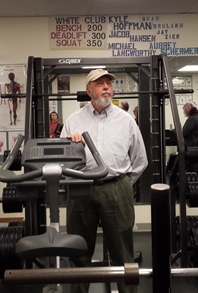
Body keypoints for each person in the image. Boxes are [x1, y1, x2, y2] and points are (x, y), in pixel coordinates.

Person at [60, 69, 148, 293]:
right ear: (89, 90)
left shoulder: (126, 120)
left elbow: (140, 159)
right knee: (78, 251)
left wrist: (124, 183)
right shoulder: (73, 121)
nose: (106, 87)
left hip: (116, 187)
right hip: (80, 189)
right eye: (100, 83)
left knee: (123, 254)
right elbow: (61, 160)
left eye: (109, 82)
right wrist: (72, 146)